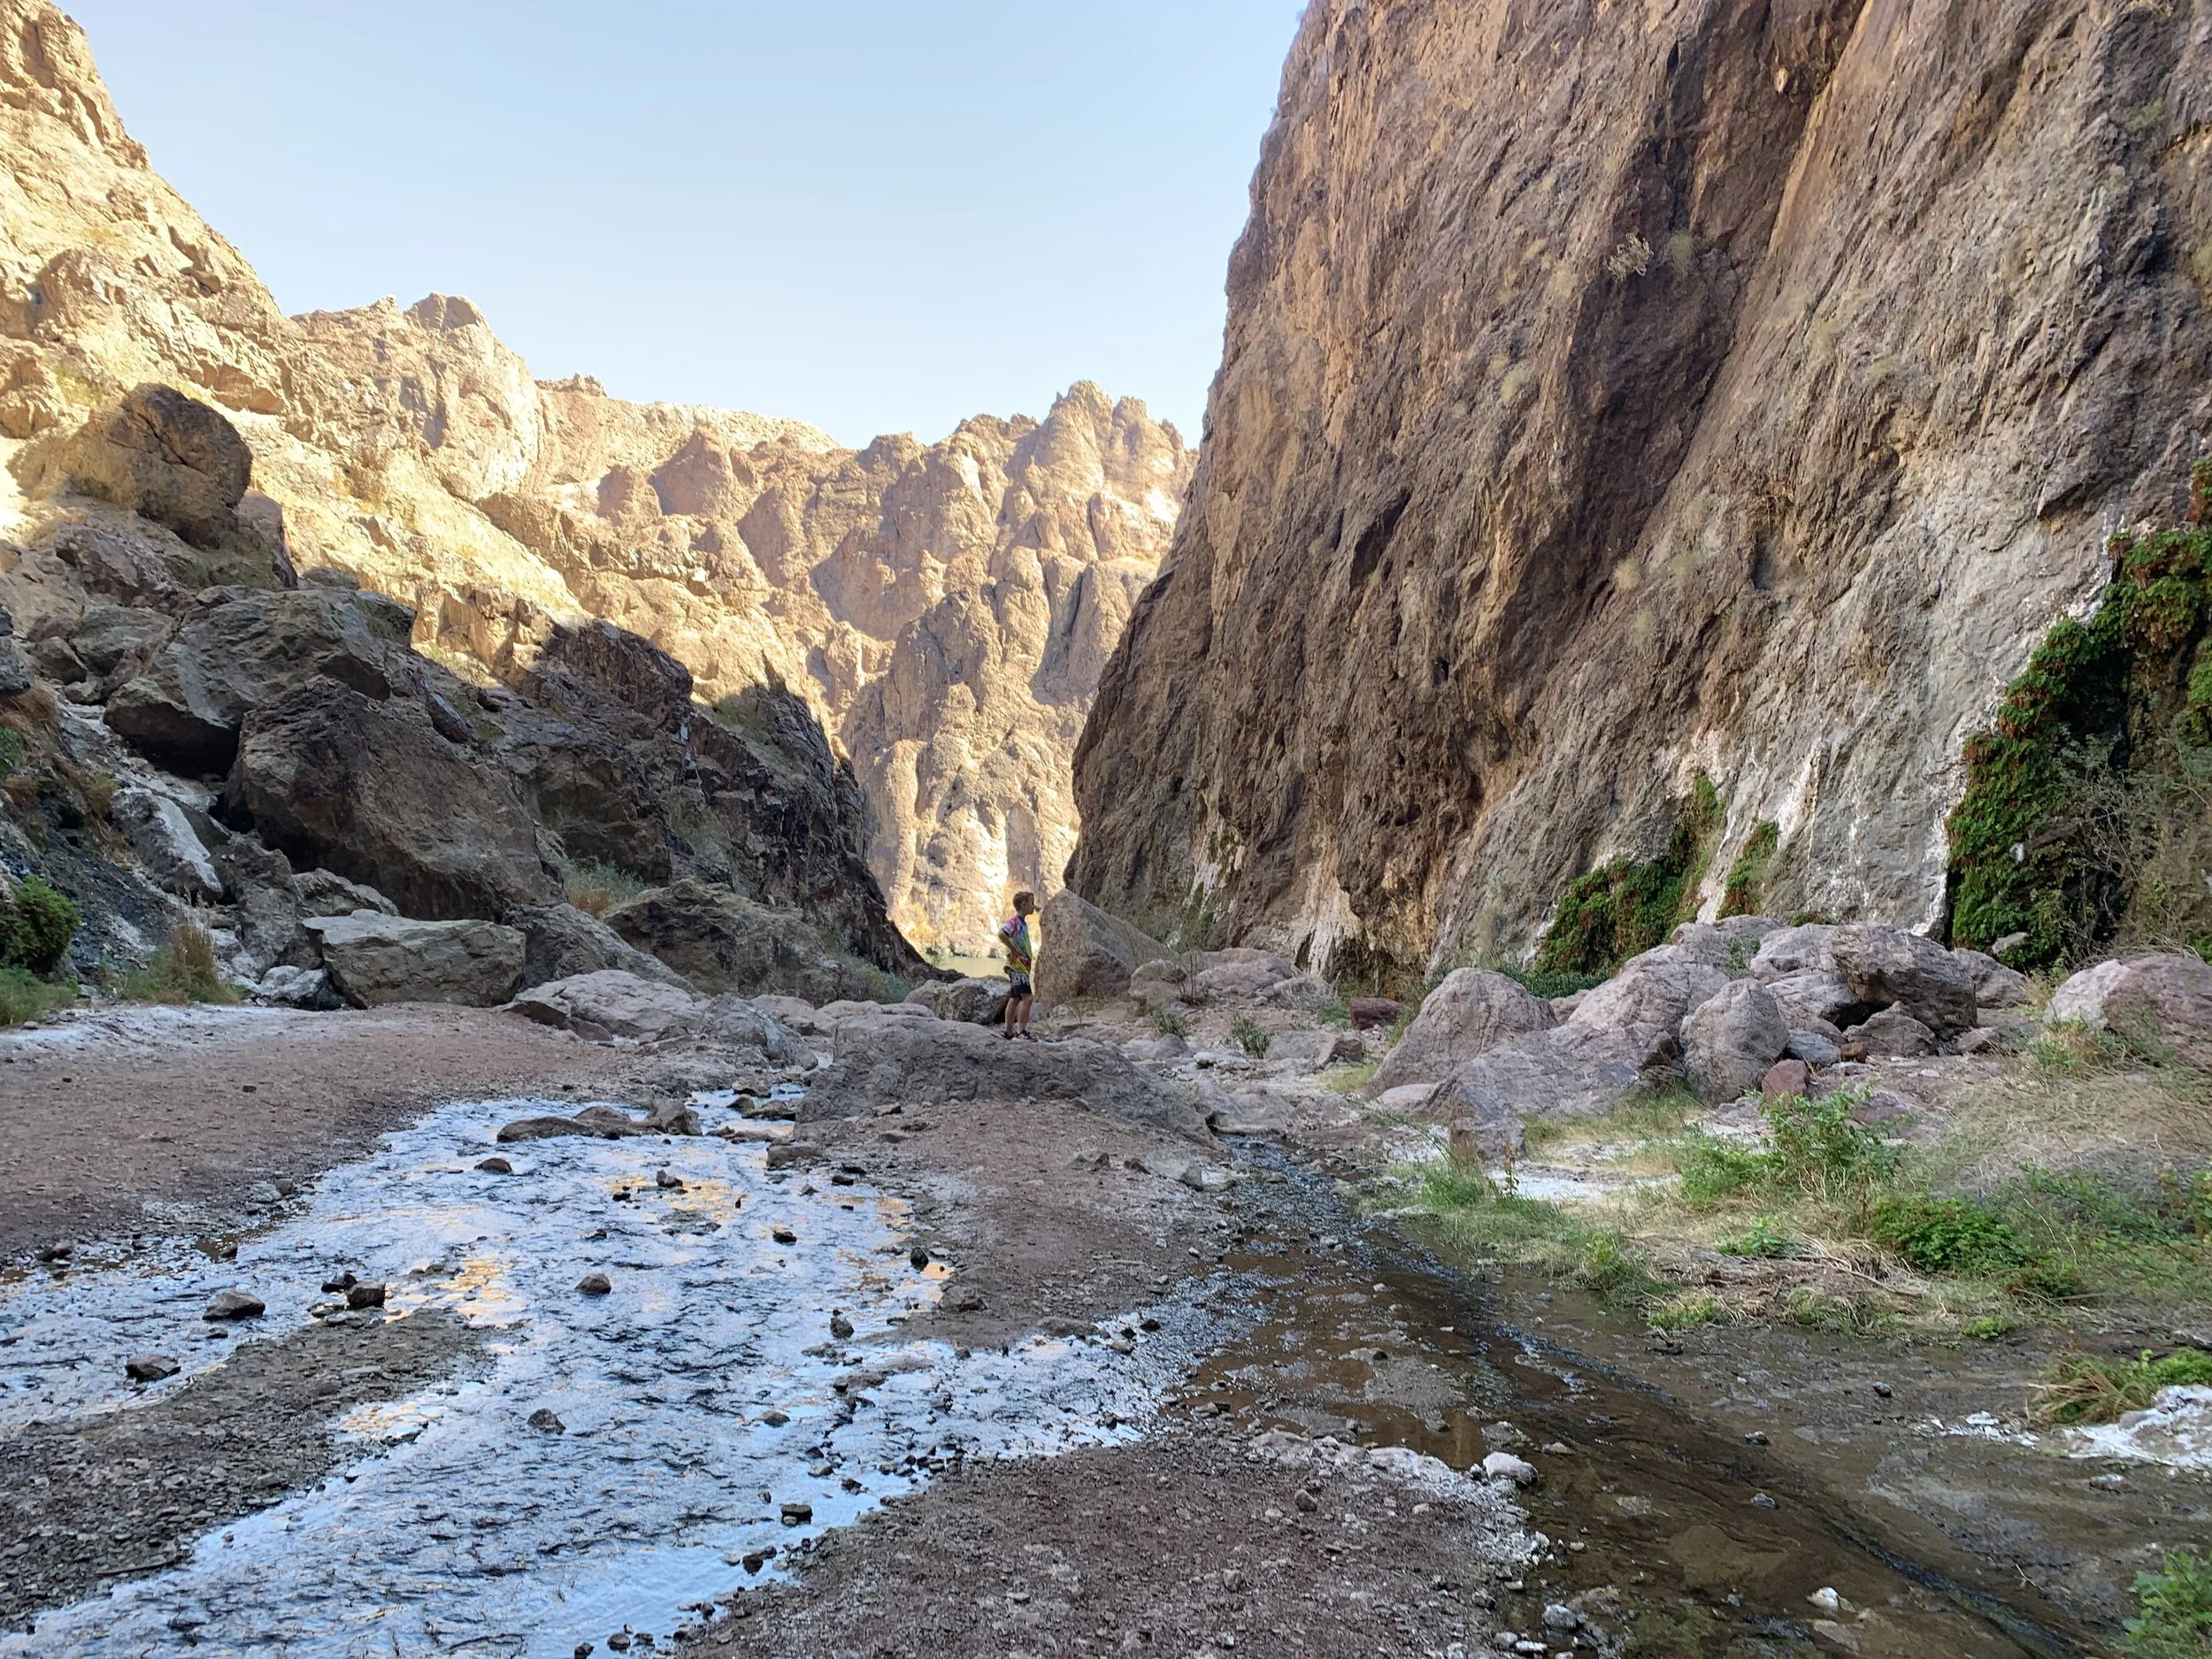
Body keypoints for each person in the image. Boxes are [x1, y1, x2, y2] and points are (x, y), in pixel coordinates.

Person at [999, 889, 1038, 1041]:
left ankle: (1008, 1032)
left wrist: (1036, 907)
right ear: (1023, 905)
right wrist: (1013, 949)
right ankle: (1021, 1032)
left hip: (1019, 966)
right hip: (1018, 966)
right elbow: (1002, 933)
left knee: (1014, 999)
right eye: (1031, 904)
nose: (1033, 907)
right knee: (1027, 999)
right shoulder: (1015, 922)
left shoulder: (1021, 922)